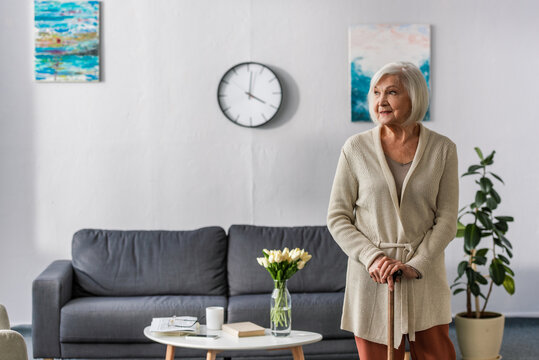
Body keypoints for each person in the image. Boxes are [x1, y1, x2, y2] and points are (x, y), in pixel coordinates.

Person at [327, 61, 458, 360]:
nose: (380, 100)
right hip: (372, 278)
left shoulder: (443, 149)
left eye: (392, 92)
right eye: (376, 92)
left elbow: (447, 220)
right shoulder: (355, 148)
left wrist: (418, 263)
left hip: (424, 277)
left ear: (415, 98)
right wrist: (372, 257)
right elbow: (337, 217)